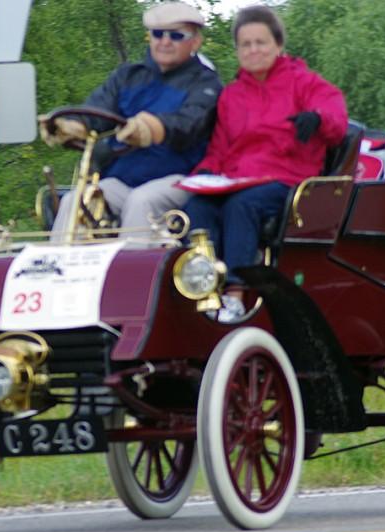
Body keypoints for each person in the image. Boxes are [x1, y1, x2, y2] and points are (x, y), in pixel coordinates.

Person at [182, 5, 347, 319]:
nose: (253, 50)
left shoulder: (304, 83)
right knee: (196, 208)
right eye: (246, 44)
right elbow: (220, 149)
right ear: (238, 50)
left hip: (286, 179)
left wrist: (317, 118)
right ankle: (202, 290)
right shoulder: (231, 96)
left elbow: (336, 118)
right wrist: (204, 172)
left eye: (261, 43)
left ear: (278, 45)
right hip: (237, 180)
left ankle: (234, 293)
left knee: (241, 207)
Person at [39, 2, 222, 239]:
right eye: (158, 34)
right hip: (123, 180)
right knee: (76, 200)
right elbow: (98, 108)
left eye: (176, 35)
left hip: (180, 179)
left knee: (141, 202)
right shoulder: (128, 77)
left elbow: (190, 123)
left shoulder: (205, 83)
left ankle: (130, 276)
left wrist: (152, 129)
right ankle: (59, 271)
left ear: (195, 41)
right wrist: (72, 125)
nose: (164, 41)